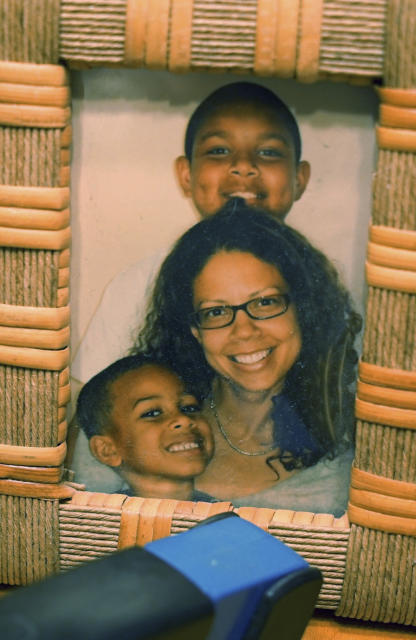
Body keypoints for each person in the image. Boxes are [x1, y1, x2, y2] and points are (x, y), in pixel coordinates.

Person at [77, 202, 360, 514]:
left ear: (303, 312)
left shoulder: (353, 441)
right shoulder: (121, 429)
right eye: (216, 311)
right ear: (195, 331)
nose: (244, 330)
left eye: (265, 302)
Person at [71, 81, 312, 385]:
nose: (243, 166)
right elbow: (90, 406)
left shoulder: (323, 286)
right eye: (219, 150)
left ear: (299, 179)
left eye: (268, 152)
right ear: (186, 175)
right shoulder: (136, 287)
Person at [75, 355, 215, 501]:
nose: (184, 419)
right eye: (153, 413)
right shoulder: (97, 521)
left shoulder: (228, 518)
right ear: (107, 450)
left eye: (189, 407)